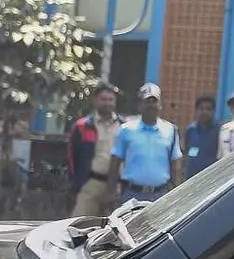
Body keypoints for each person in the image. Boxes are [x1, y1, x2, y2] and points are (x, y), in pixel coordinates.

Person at [109, 83, 182, 205]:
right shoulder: (125, 130)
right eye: (147, 101)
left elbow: (176, 166)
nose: (151, 105)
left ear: (160, 106)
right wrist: (111, 193)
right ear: (139, 105)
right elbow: (115, 163)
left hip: (160, 195)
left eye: (154, 102)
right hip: (131, 194)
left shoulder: (171, 130)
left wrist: (177, 194)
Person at [68, 82, 125, 217]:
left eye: (111, 100)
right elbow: (72, 157)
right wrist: (76, 182)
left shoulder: (125, 126)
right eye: (103, 99)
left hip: (117, 187)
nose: (107, 103)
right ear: (95, 101)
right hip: (91, 184)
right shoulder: (82, 126)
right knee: (78, 226)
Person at [184, 95, 220, 178]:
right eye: (201, 109)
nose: (204, 112)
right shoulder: (190, 130)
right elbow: (186, 154)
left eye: (208, 109)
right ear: (196, 111)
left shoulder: (220, 131)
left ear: (213, 111)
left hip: (210, 179)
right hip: (191, 179)